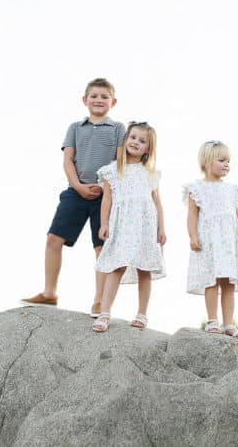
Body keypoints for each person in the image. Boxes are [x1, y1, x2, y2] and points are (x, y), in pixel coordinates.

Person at [21, 78, 125, 317]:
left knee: (101, 247)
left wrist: (103, 185)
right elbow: (68, 159)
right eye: (94, 96)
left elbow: (119, 161)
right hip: (76, 192)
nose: (99, 100)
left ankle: (99, 301)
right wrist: (77, 185)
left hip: (105, 195)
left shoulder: (119, 129)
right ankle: (49, 293)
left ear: (113, 102)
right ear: (85, 99)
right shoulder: (75, 128)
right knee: (53, 238)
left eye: (104, 97)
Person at [91, 122, 166, 332]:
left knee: (144, 268)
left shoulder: (150, 173)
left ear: (148, 149)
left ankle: (142, 314)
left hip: (145, 224)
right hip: (122, 224)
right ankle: (105, 312)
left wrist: (161, 228)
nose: (136, 142)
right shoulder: (111, 171)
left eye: (142, 141)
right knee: (117, 266)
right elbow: (106, 200)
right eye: (133, 137)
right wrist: (104, 223)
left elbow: (157, 202)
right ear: (126, 140)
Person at [183, 140, 238, 340]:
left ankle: (229, 323)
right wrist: (193, 236)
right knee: (211, 280)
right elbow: (192, 215)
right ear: (206, 161)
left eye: (228, 161)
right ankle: (213, 320)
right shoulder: (196, 189)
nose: (226, 165)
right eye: (221, 160)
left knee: (228, 282)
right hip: (209, 241)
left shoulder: (232, 190)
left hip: (230, 242)